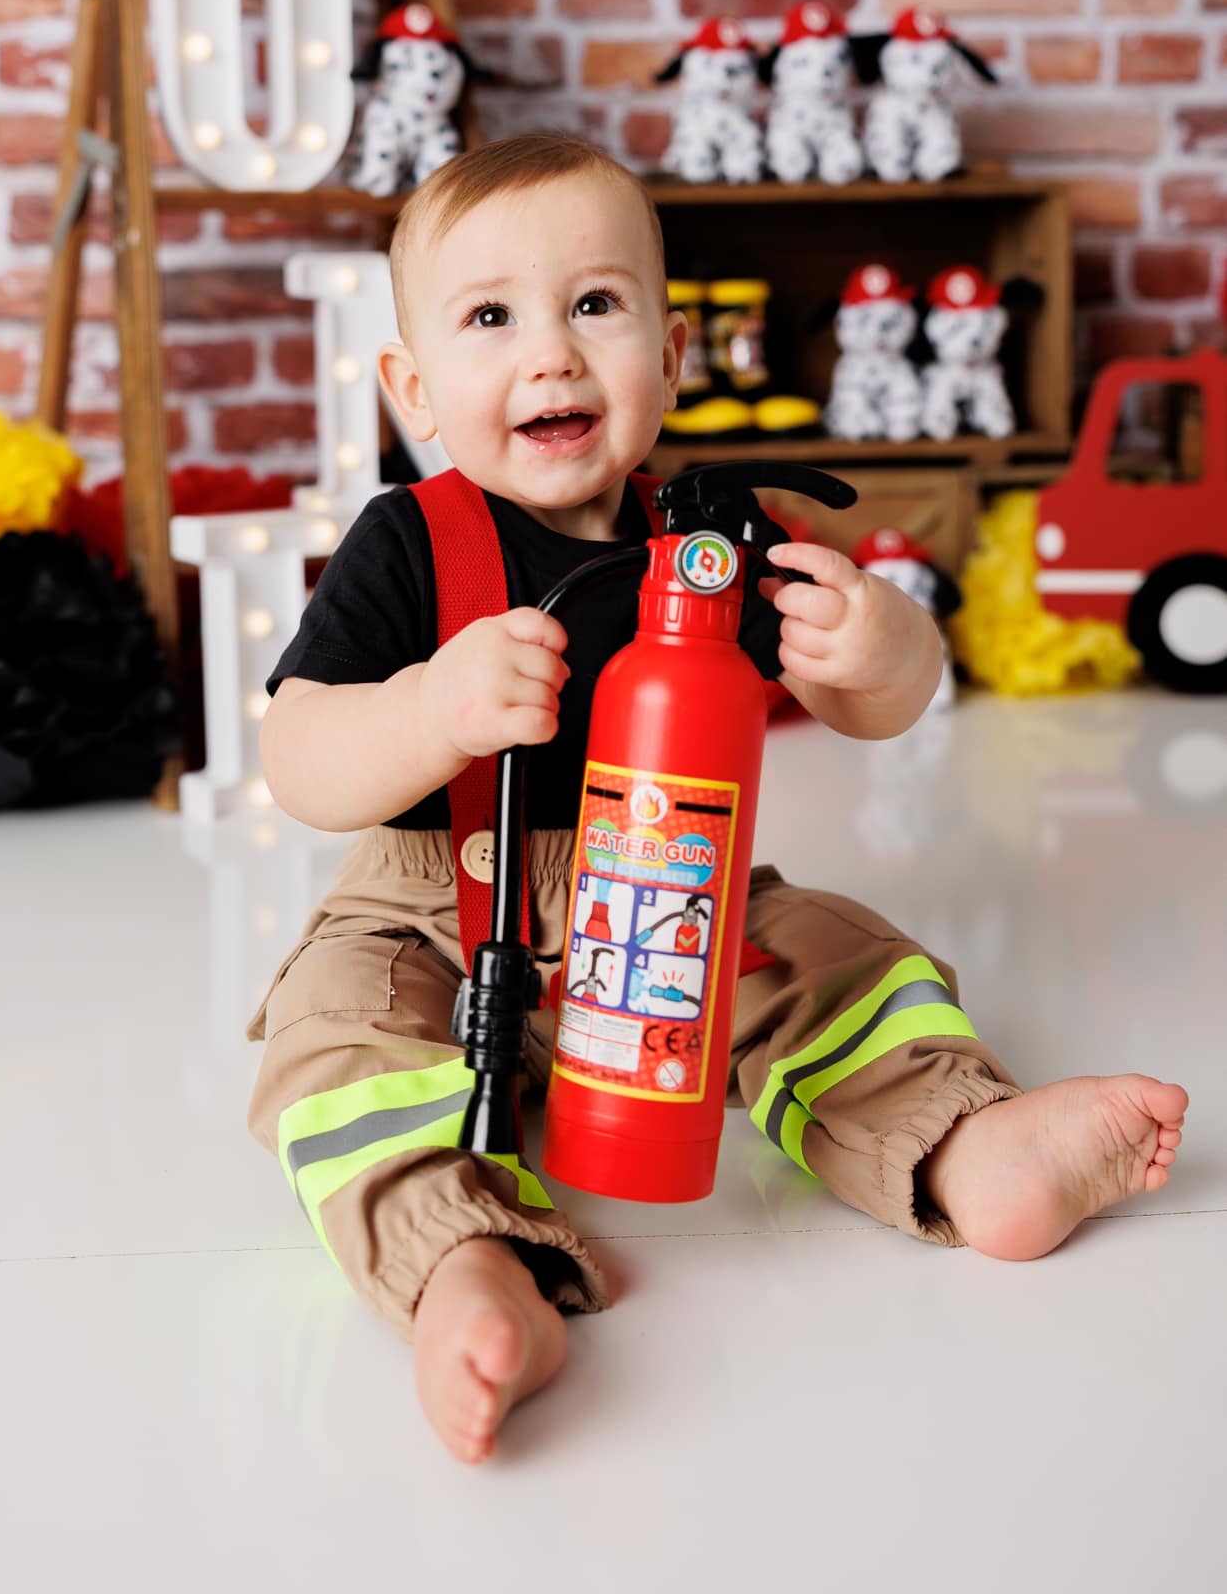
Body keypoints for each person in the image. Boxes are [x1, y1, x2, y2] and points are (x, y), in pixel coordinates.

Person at [249, 132, 1188, 1466]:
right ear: (412, 385)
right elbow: (298, 754)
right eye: (490, 318)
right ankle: (463, 1260)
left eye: (595, 304)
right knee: (334, 1046)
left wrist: (875, 646)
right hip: (429, 921)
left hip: (671, 905)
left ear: (672, 355)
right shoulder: (408, 543)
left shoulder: (703, 547)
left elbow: (890, 703)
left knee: (827, 958)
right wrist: (428, 711)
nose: (553, 354)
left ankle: (961, 1143)